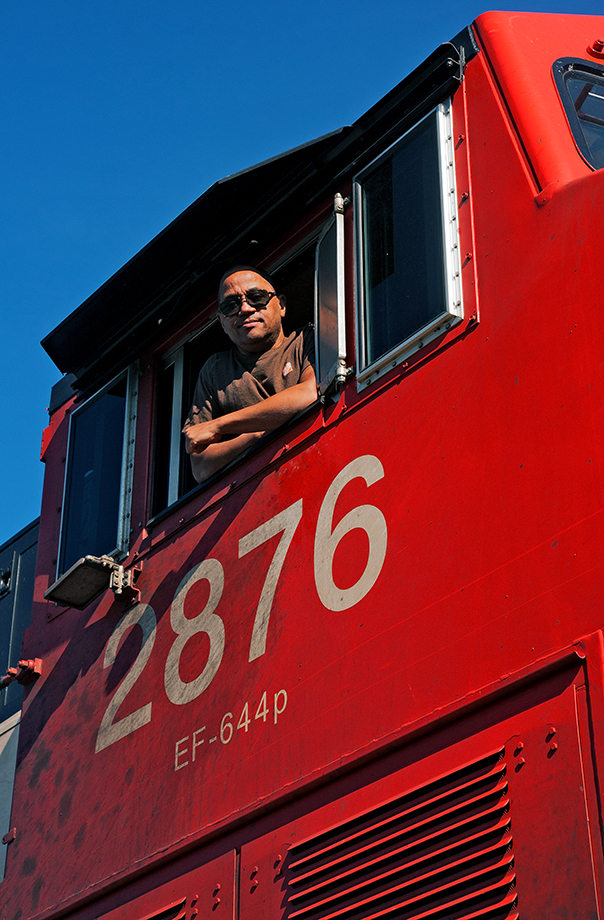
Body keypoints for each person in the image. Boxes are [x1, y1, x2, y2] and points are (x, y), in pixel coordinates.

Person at [183, 266, 317, 482]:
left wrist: (218, 425)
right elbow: (201, 467)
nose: (244, 309)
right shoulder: (214, 371)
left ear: (281, 305)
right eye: (231, 305)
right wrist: (256, 433)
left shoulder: (307, 338)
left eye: (256, 297)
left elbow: (308, 394)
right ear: (222, 322)